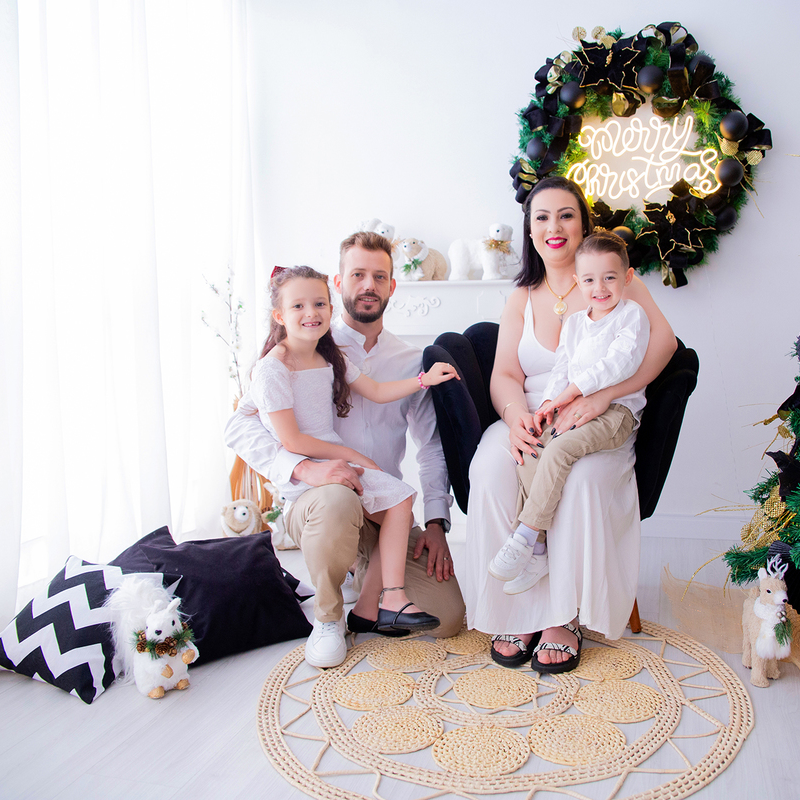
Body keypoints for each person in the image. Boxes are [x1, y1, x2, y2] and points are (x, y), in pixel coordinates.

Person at [463, 176, 677, 673]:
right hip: (534, 411)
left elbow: (665, 346)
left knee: (578, 478)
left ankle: (564, 615)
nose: (553, 227)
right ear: (530, 230)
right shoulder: (521, 294)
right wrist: (515, 419)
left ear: (583, 224)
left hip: (599, 414)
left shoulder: (613, 278)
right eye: (542, 217)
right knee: (491, 469)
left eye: (566, 215)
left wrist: (604, 395)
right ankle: (517, 610)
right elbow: (505, 375)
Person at [225, 233, 465, 668]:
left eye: (379, 276)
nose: (368, 285)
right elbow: (239, 424)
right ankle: (329, 618)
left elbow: (430, 447)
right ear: (339, 283)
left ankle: (370, 601)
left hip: (380, 505)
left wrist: (435, 524)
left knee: (447, 618)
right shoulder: (299, 349)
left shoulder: (406, 359)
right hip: (325, 503)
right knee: (336, 498)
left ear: (393, 286)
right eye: (358, 274)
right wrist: (300, 469)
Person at [487, 231, 650, 606]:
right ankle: (540, 553)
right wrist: (547, 404)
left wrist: (572, 391)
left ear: (627, 277)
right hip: (570, 405)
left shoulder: (631, 317)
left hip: (615, 413)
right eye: (590, 279)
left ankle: (526, 535)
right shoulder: (576, 323)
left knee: (560, 452)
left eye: (610, 277)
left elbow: (618, 365)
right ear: (578, 282)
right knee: (531, 449)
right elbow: (562, 366)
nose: (600, 287)